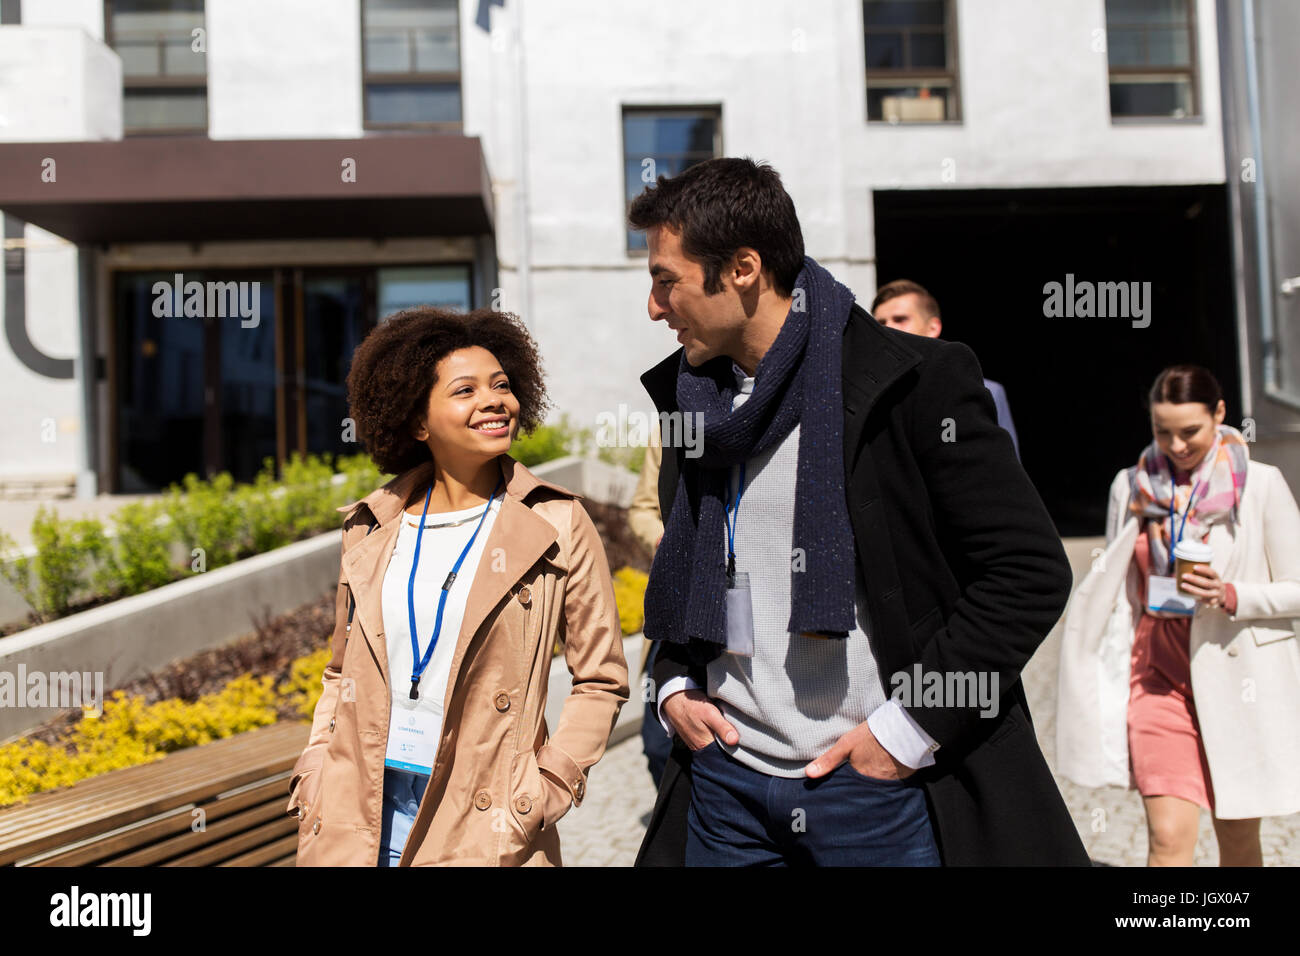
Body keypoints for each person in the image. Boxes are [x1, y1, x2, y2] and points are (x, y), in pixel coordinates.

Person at [629, 156, 1088, 866]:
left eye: (666, 281)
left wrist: (907, 732)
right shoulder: (697, 404)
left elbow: (1027, 574)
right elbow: (688, 566)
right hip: (725, 783)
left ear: (744, 268)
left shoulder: (916, 383)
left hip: (871, 788)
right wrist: (675, 684)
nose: (654, 307)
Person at [285, 306, 629, 866]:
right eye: (465, 390)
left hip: (483, 813)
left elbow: (601, 679)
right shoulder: (371, 526)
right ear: (418, 422)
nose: (495, 400)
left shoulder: (556, 523)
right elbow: (340, 669)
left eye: (501, 385)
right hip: (359, 806)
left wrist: (543, 790)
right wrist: (316, 763)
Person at [1057, 364, 1300, 866]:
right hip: (1156, 682)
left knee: (1236, 838)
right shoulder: (1131, 487)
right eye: (1162, 432)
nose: (1177, 445)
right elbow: (1119, 585)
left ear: (1220, 414)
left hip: (1236, 683)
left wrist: (1232, 594)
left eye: (1190, 431)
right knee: (1168, 839)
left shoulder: (1262, 485)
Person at [870, 279, 1021, 460]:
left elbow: (1005, 470)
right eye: (881, 323)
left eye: (901, 319)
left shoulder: (986, 391)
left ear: (933, 327)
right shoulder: (869, 396)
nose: (889, 329)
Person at [627, 426, 671, 786]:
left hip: (739, 607)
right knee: (657, 745)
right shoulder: (669, 426)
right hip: (672, 611)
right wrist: (663, 536)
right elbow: (642, 508)